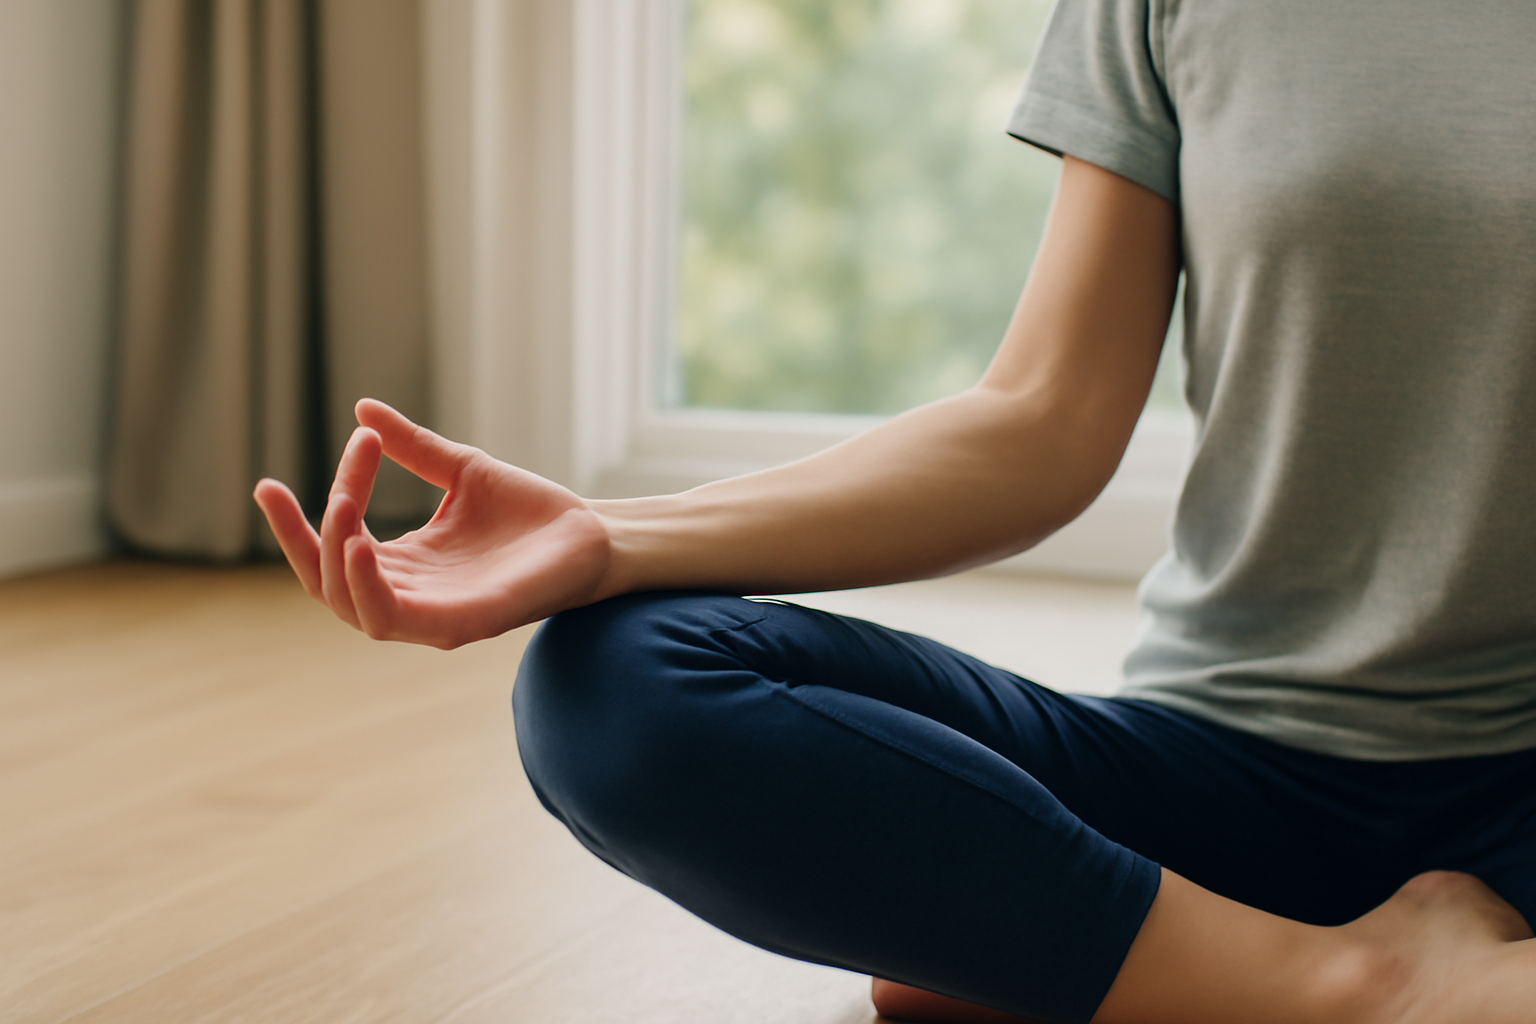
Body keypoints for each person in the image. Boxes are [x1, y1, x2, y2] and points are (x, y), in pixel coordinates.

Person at [254, 0, 1536, 1021]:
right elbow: (1042, 420)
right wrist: (610, 537)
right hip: (1215, 771)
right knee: (613, 680)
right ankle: (1333, 986)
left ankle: (1112, 958)